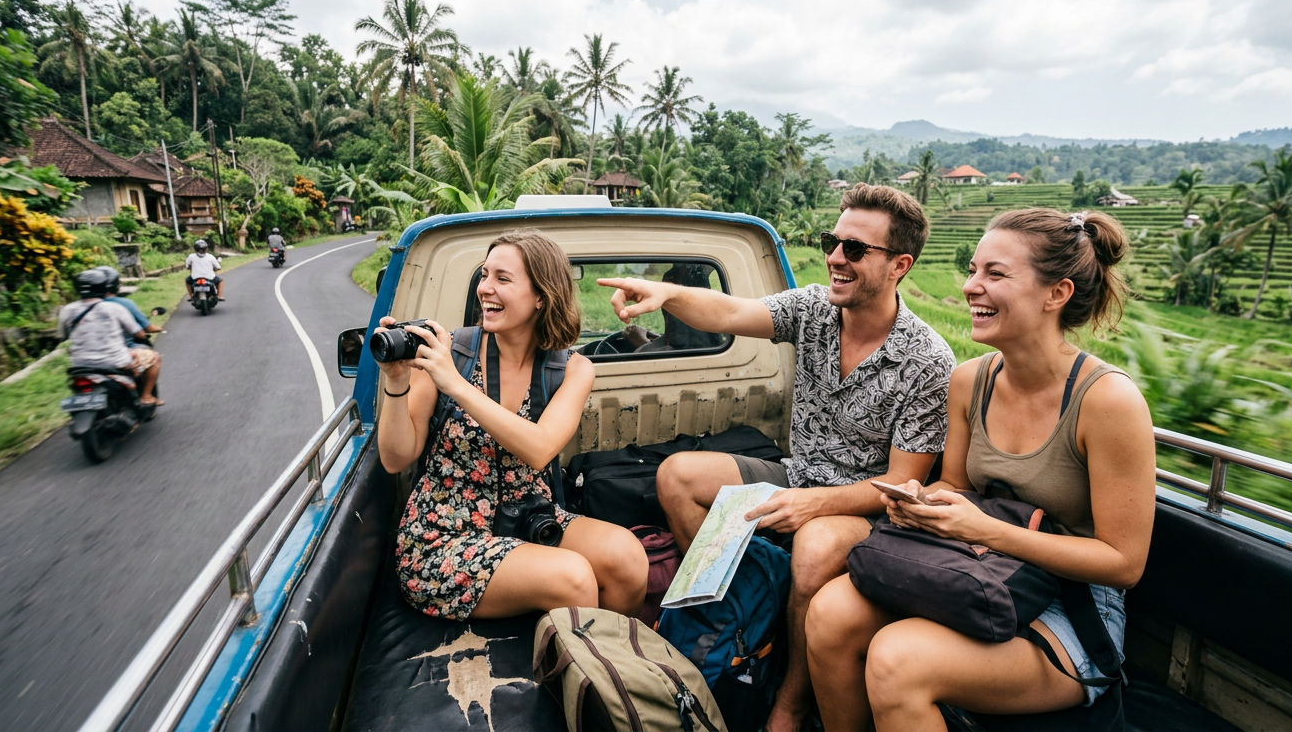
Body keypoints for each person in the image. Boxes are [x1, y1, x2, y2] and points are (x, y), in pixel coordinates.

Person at [599, 183, 955, 732]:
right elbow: (730, 310)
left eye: (855, 249)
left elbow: (901, 485)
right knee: (677, 476)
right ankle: (740, 617)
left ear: (899, 265)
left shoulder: (926, 358)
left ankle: (790, 701)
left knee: (813, 550)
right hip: (796, 472)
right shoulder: (814, 309)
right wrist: (663, 292)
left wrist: (813, 506)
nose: (836, 257)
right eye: (832, 241)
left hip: (865, 508)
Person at [804, 209, 1156, 732]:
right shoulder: (971, 380)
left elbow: (1123, 563)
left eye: (995, 274)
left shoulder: (1107, 402)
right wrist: (923, 501)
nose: (971, 287)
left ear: (1055, 293)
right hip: (980, 568)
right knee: (830, 613)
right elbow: (958, 487)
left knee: (898, 661)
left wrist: (984, 529)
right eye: (973, 270)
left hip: (1071, 606)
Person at [376, 228, 647, 621]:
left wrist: (456, 386)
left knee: (628, 559)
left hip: (528, 516)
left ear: (541, 296)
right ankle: (584, 673)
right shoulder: (449, 351)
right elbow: (395, 458)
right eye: (485, 275)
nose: (486, 288)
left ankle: (620, 668)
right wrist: (398, 380)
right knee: (574, 579)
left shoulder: (573, 368)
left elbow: (539, 448)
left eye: (503, 279)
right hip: (445, 535)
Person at [60, 269, 162, 406]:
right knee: (154, 358)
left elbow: (63, 336)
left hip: (79, 365)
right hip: (115, 361)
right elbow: (138, 332)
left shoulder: (67, 310)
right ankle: (146, 396)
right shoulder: (114, 308)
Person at [96, 266, 162, 347]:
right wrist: (160, 329)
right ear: (116, 285)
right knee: (148, 351)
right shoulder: (124, 304)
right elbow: (148, 329)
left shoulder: (80, 307)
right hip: (125, 349)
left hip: (91, 354)